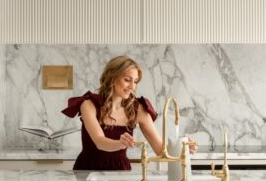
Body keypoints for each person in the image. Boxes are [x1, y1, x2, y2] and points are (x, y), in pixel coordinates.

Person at [62, 56, 195, 171]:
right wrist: (120, 143)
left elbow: (160, 150)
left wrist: (183, 148)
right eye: (127, 79)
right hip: (87, 169)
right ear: (112, 78)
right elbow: (100, 142)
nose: (132, 86)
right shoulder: (89, 105)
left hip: (120, 170)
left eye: (135, 81)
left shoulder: (139, 109)